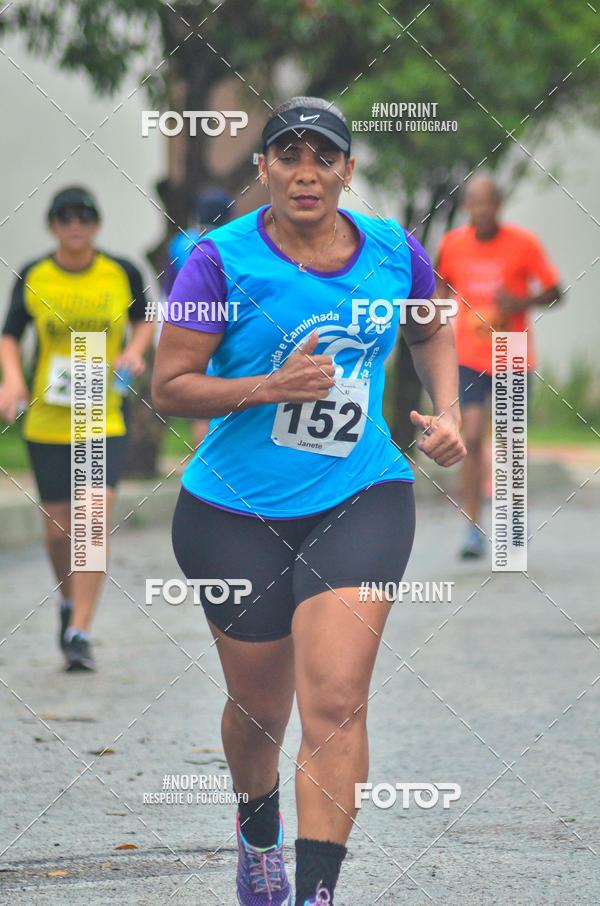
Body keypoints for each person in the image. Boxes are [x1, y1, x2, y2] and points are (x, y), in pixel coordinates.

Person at [153, 97, 466, 906]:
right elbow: (169, 387)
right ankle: (258, 831)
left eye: (321, 158)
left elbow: (433, 323)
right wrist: (269, 387)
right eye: (286, 156)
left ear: (346, 171)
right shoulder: (216, 261)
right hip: (232, 512)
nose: (304, 172)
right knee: (260, 711)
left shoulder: (394, 250)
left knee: (333, 697)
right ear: (262, 169)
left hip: (360, 493)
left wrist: (449, 409)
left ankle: (316, 892)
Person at [0, 186, 154, 670]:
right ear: (52, 225)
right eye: (65, 217)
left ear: (96, 224)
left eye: (84, 217)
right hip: (48, 418)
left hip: (100, 414)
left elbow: (147, 317)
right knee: (57, 529)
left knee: (92, 515)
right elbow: (10, 334)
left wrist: (135, 351)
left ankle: (80, 630)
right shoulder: (34, 274)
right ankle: (68, 601)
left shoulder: (122, 271)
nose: (75, 225)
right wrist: (12, 381)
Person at [436, 174, 562, 558]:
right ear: (467, 206)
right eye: (475, 202)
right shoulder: (453, 244)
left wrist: (522, 300)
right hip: (468, 355)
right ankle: (472, 529)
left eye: (488, 202)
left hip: (512, 351)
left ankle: (510, 526)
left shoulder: (523, 244)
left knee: (508, 443)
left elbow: (556, 292)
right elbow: (439, 292)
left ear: (499, 204)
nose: (482, 209)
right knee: (471, 436)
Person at [161, 189, 235, 447]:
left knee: (202, 405)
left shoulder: (180, 243)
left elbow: (168, 292)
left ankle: (203, 462)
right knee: (230, 399)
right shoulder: (231, 242)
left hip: (189, 326)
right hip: (227, 325)